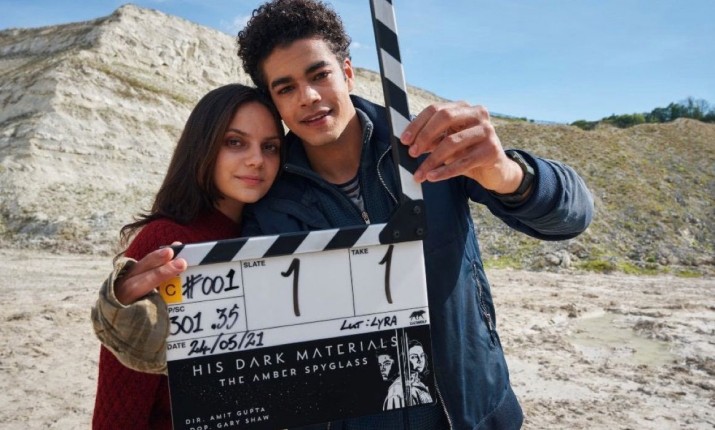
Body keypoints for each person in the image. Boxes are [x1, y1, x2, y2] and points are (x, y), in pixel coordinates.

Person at [94, 0, 594, 428]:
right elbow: (233, 349)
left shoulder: (429, 147)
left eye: (319, 75)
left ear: (348, 72)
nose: (308, 97)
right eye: (285, 87)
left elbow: (572, 217)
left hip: (476, 415)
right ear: (275, 102)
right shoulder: (267, 204)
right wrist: (123, 315)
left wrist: (509, 174)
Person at [91, 83, 283, 429]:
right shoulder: (165, 241)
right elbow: (120, 399)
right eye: (235, 142)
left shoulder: (271, 240)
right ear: (203, 145)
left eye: (270, 147)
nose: (257, 159)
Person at [406, 340, 433, 406]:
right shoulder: (405, 387)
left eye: (422, 355)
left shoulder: (420, 383)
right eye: (414, 357)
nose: (420, 360)